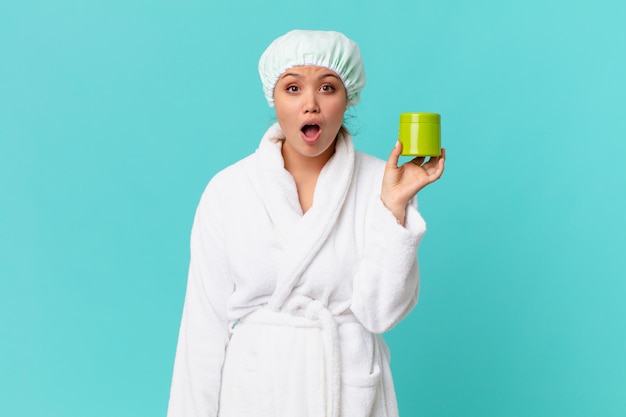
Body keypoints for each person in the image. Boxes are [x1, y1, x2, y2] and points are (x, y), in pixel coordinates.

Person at [167, 29, 446, 417]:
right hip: (256, 393)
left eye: (328, 88)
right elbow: (202, 332)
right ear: (273, 97)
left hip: (348, 392)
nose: (310, 105)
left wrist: (394, 208)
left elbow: (381, 314)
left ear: (349, 98)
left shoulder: (381, 184)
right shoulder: (228, 190)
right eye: (293, 88)